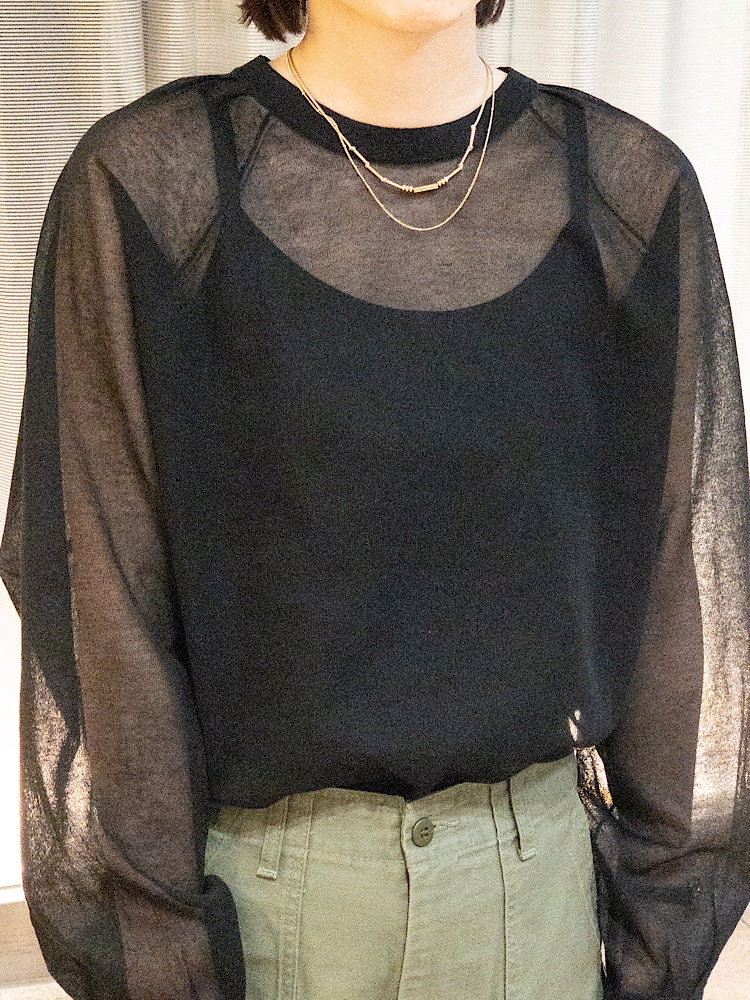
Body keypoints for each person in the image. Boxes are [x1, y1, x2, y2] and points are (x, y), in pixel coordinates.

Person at [1, 0, 749, 996]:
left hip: (537, 901)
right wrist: (163, 951)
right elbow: (100, 592)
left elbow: (683, 585)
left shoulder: (629, 193)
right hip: (261, 906)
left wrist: (659, 940)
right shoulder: (151, 184)